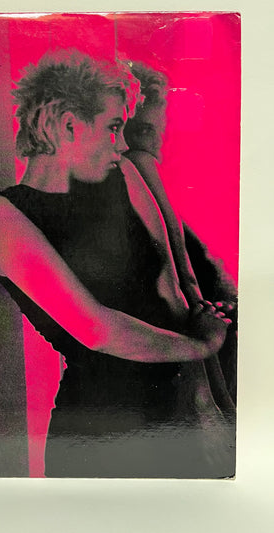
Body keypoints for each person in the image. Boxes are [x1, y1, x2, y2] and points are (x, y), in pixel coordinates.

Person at [0, 51, 234, 478]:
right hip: (97, 434)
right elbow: (98, 330)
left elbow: (177, 289)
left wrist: (213, 404)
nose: (123, 144)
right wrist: (204, 346)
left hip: (179, 417)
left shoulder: (124, 175)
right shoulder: (3, 216)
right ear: (68, 126)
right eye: (114, 127)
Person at [124, 62, 237, 411]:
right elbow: (182, 264)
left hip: (203, 315)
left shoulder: (139, 168)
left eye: (158, 126)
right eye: (145, 129)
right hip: (203, 317)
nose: (156, 138)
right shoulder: (140, 162)